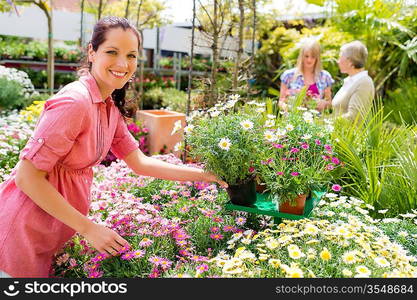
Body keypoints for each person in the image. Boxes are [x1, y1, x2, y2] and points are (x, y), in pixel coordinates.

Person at [0, 16, 227, 278]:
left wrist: (203, 175)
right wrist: (89, 228)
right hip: (18, 232)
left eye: (131, 55)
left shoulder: (107, 106)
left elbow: (139, 163)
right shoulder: (75, 102)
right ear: (91, 52)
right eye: (112, 52)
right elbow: (27, 176)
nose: (123, 64)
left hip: (45, 233)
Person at [318, 41, 375, 122]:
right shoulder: (350, 81)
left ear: (350, 62)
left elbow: (354, 116)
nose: (338, 61)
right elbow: (339, 112)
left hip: (349, 134)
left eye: (340, 57)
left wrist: (326, 123)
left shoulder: (364, 83)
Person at [279, 38, 334, 111]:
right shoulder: (289, 75)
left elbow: (330, 103)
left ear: (317, 58)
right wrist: (287, 108)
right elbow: (281, 101)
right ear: (301, 56)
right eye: (306, 56)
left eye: (313, 57)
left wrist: (324, 104)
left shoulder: (325, 76)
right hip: (293, 118)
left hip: (316, 120)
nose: (309, 60)